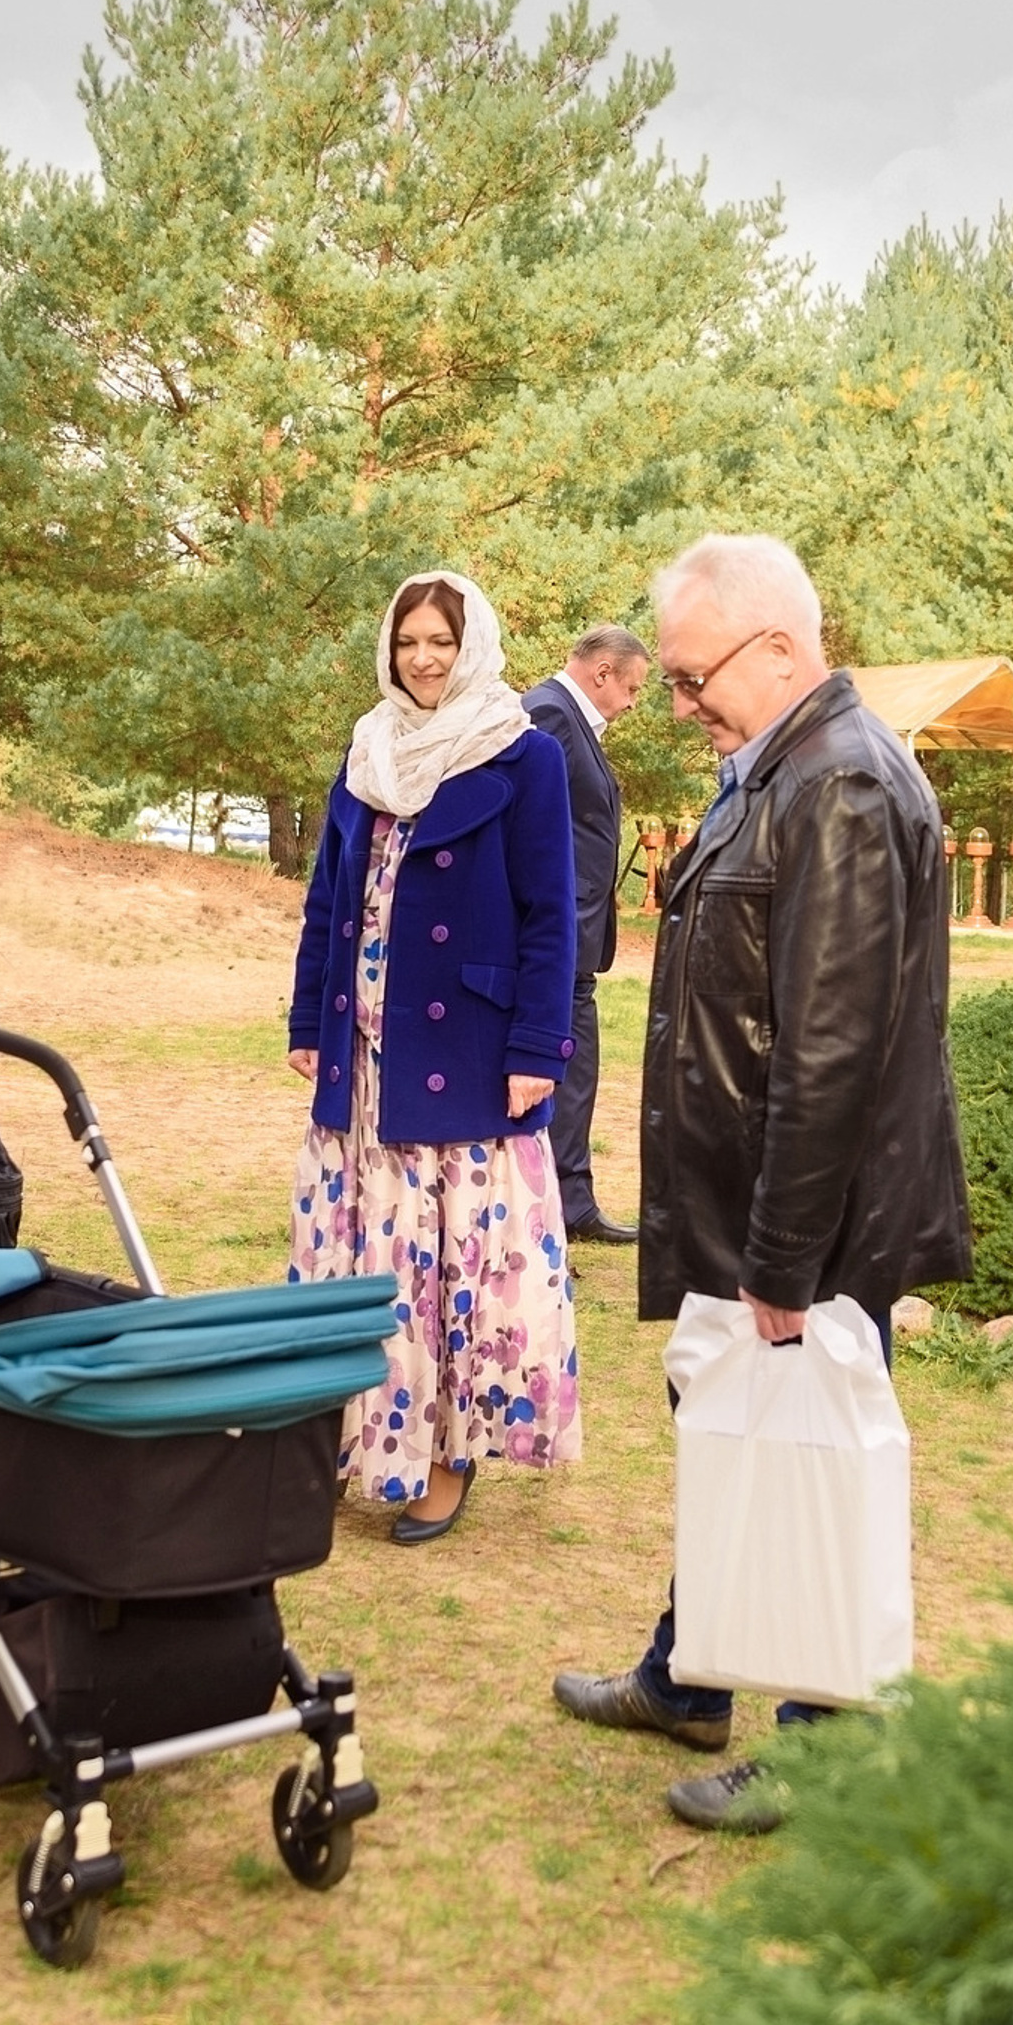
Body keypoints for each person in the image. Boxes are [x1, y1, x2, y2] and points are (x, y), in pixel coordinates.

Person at [552, 532, 971, 1835]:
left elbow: (833, 1053)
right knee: (737, 1437)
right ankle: (691, 1673)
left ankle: (823, 1741)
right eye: (670, 681)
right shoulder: (774, 766)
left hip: (814, 1231)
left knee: (812, 1470)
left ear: (780, 647)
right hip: (749, 1207)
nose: (676, 706)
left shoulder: (841, 785)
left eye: (691, 678)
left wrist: (785, 1263)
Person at [286, 569, 581, 1545]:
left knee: (450, 1263)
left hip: (468, 1048)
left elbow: (550, 916)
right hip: (362, 1046)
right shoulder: (367, 750)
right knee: (362, 1259)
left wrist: (539, 1045)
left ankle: (446, 1451)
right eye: (408, 639)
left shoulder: (522, 754)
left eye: (440, 641)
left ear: (472, 647)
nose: (421, 656)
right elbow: (327, 902)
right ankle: (349, 1436)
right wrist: (304, 1020)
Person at [521, 625, 649, 1245]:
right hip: (553, 934)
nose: (631, 703)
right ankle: (556, 1201)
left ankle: (570, 1198)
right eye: (631, 688)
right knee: (561, 1064)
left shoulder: (570, 720)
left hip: (576, 934)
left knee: (578, 1066)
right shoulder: (546, 713)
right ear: (602, 672)